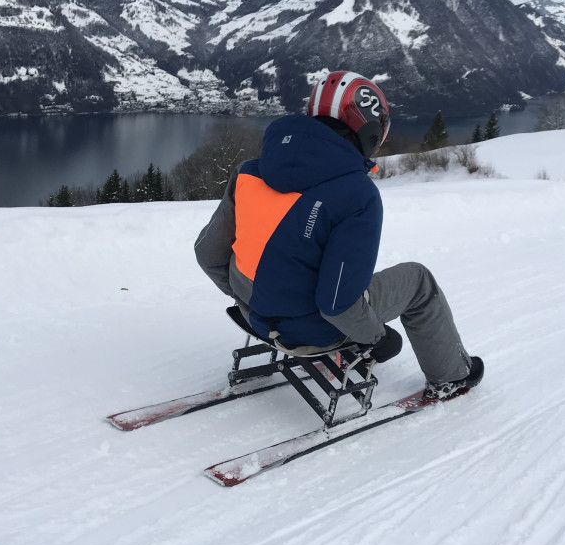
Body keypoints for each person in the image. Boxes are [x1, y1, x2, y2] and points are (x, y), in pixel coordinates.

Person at [194, 70, 482, 399]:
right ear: (372, 131)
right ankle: (452, 376)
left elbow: (208, 253)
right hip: (315, 332)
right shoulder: (357, 195)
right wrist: (377, 338)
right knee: (418, 281)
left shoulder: (248, 173)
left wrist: (249, 298)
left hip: (253, 316)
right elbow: (335, 304)